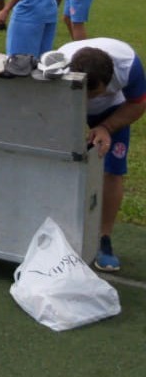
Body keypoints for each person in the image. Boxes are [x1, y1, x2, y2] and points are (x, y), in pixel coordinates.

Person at [56, 38, 146, 272]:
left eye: (94, 92)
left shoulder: (128, 66)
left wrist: (106, 127)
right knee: (59, 163)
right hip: (65, 102)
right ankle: (56, 230)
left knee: (113, 170)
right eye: (86, 92)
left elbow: (138, 104)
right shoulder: (58, 64)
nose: (89, 98)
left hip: (112, 110)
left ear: (109, 81)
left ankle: (103, 239)